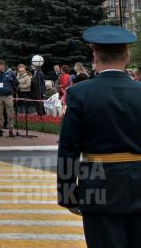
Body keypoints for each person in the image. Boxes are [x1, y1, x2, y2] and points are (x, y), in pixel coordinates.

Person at [58, 24, 141, 247]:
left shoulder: (79, 93)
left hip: (98, 186)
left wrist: (68, 195)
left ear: (94, 54)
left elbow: (69, 149)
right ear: (127, 55)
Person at [0, 60, 17, 137]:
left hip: (8, 96)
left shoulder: (10, 73)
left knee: (10, 113)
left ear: (2, 65)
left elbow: (16, 83)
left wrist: (12, 91)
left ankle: (10, 130)